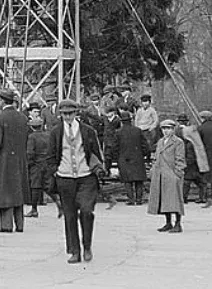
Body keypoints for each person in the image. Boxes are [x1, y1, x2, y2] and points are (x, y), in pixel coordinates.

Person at [47, 99, 105, 264]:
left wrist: (98, 168)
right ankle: (74, 251)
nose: (67, 117)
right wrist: (55, 171)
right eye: (64, 114)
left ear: (76, 113)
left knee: (86, 211)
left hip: (86, 177)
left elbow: (96, 153)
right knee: (70, 215)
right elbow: (50, 155)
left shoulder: (88, 131)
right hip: (65, 178)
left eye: (70, 113)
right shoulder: (56, 132)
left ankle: (87, 246)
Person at [0, 87, 29, 233]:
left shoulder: (0, 118)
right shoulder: (23, 118)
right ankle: (20, 224)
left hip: (4, 161)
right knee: (18, 192)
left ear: (1, 100)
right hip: (20, 160)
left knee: (5, 193)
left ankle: (6, 225)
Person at [149, 119, 186, 234]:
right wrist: (154, 170)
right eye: (164, 129)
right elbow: (157, 157)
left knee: (175, 200)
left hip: (172, 174)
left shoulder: (178, 142)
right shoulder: (161, 141)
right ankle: (168, 222)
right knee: (164, 200)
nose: (166, 131)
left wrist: (178, 173)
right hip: (160, 174)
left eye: (168, 128)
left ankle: (178, 223)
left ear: (173, 129)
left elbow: (180, 159)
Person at [116, 110, 149, 206]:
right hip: (138, 157)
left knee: (127, 180)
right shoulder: (138, 130)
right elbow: (145, 145)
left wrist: (117, 157)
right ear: (130, 120)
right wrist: (143, 154)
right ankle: (139, 199)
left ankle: (131, 199)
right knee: (139, 180)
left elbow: (115, 147)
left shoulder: (118, 132)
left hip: (124, 158)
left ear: (122, 121)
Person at [175, 113, 208, 204]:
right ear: (187, 122)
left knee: (187, 179)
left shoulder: (176, 131)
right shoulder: (190, 130)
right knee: (197, 180)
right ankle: (202, 197)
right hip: (191, 157)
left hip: (182, 156)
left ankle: (183, 198)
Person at [25, 116, 55, 216]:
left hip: (36, 164)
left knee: (35, 186)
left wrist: (29, 163)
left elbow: (30, 152)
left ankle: (34, 209)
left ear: (32, 127)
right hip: (46, 163)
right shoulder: (48, 135)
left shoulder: (32, 137)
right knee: (47, 186)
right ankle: (60, 204)